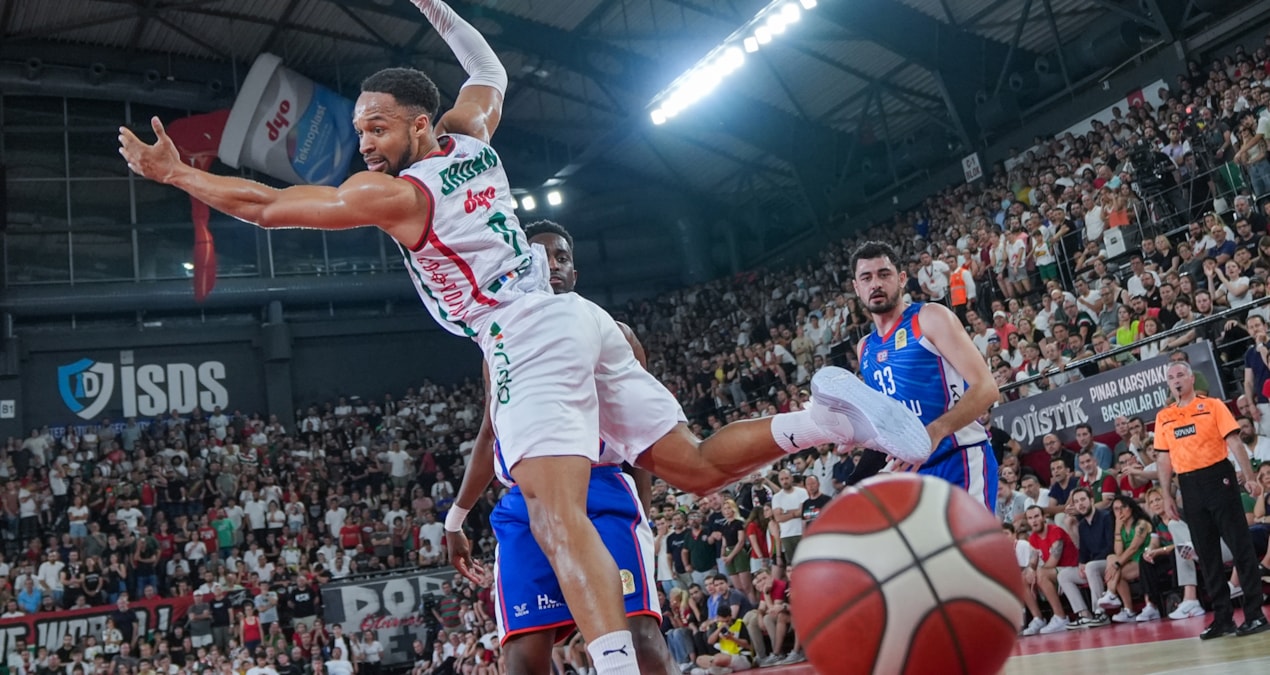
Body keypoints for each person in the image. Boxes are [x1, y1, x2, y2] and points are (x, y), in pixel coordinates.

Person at [119, 4, 929, 671]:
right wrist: (436, 9)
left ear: (417, 125)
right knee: (691, 465)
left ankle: (613, 664)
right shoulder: (472, 138)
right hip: (581, 319)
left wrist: (177, 173)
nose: (363, 143)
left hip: (522, 332)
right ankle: (820, 418)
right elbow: (488, 72)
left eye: (376, 127)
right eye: (361, 130)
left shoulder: (397, 195)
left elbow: (267, 207)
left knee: (552, 512)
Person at [444, 220, 675, 674]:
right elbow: (489, 435)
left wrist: (644, 516)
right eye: (539, 257)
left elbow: (642, 436)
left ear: (574, 273)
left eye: (562, 258)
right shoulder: (498, 343)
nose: (552, 265)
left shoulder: (616, 334)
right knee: (522, 658)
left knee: (642, 642)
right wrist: (455, 519)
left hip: (601, 492)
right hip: (527, 505)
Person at [846, 241, 1001, 509]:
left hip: (959, 459)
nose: (876, 284)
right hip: (912, 476)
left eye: (884, 274)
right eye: (866, 278)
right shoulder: (865, 348)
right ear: (856, 287)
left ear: (902, 279)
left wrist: (935, 431)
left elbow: (987, 388)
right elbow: (885, 422)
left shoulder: (930, 317)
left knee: (970, 540)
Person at [1153, 358, 1268, 639]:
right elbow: (1163, 459)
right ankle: (1223, 618)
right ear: (1168, 384)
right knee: (1206, 554)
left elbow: (1234, 442)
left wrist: (1250, 477)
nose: (1176, 380)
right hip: (1188, 484)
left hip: (1218, 477)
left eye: (1180, 375)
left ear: (1191, 379)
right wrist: (1167, 495)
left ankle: (1255, 614)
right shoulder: (1164, 417)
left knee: (1240, 546)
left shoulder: (1213, 406)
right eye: (1171, 377)